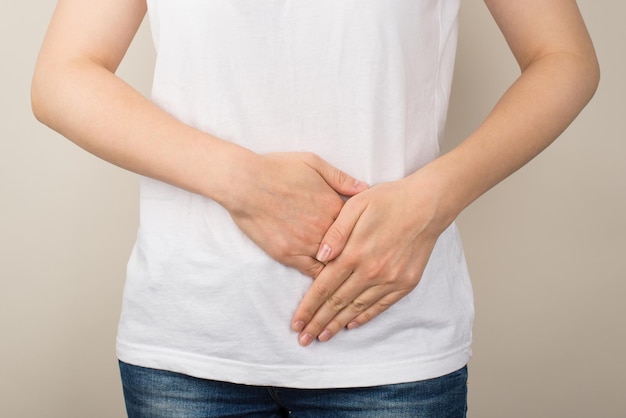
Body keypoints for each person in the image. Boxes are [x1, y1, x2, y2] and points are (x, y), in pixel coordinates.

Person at [31, 0, 599, 417]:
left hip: (391, 345)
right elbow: (63, 75)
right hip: (191, 344)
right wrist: (242, 182)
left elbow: (564, 57)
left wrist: (434, 199)